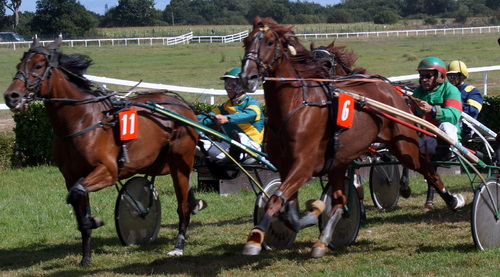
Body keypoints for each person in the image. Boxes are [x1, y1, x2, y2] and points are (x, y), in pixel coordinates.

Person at [412, 57, 463, 210]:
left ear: (440, 76)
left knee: (446, 125)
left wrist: (433, 110)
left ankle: (445, 153)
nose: (424, 79)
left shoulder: (450, 90)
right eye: (422, 76)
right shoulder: (417, 92)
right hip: (425, 138)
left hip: (448, 137)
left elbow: (454, 114)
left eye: (428, 76)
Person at [197, 67, 265, 163]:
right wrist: (189, 119)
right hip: (228, 147)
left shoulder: (253, 105)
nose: (228, 88)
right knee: (197, 145)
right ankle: (230, 158)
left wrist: (227, 118)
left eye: (232, 84)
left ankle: (234, 155)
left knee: (240, 136)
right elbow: (207, 118)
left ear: (241, 86)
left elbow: (248, 115)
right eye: (227, 84)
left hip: (252, 148)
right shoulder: (224, 107)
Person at [446, 60, 484, 141]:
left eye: (453, 76)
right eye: (449, 76)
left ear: (462, 75)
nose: (451, 79)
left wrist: (452, 108)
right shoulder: (446, 90)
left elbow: (472, 111)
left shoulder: (472, 91)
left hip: (465, 129)